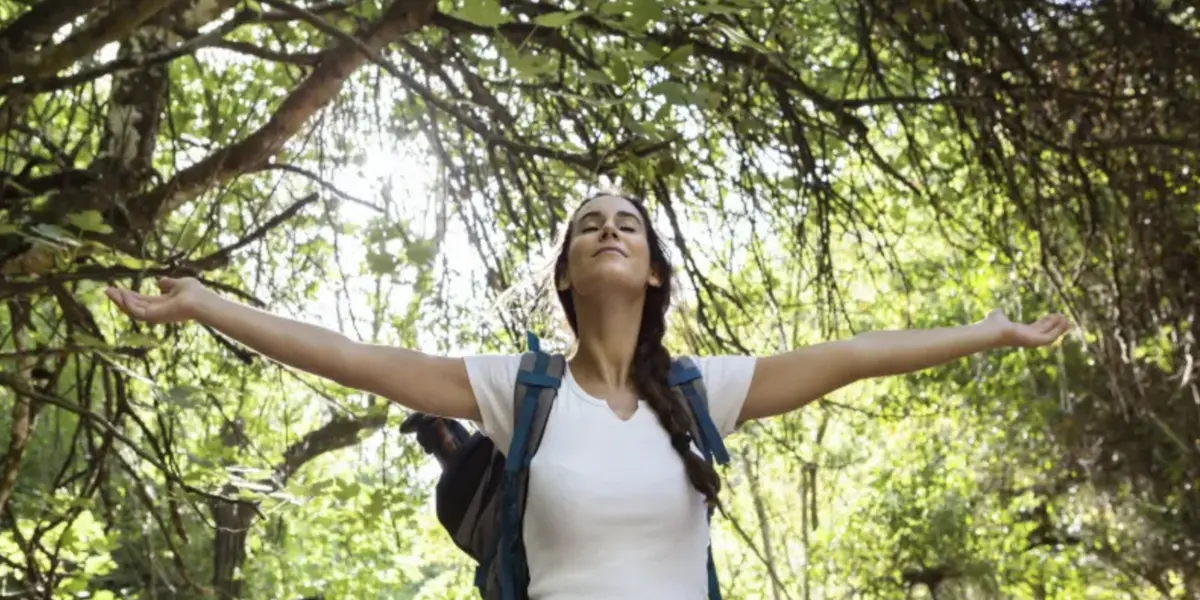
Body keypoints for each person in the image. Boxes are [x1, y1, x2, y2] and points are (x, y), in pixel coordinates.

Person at [105, 192, 1071, 599]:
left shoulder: (703, 394)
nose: (609, 232)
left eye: (629, 227)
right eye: (588, 227)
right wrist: (205, 305)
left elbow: (860, 352)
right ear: (567, 273)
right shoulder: (512, 387)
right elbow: (351, 356)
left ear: (653, 271)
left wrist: (991, 332)